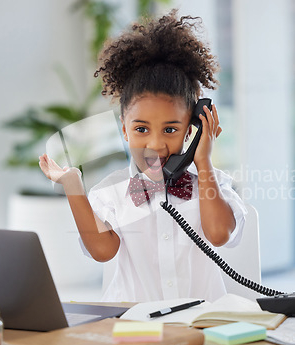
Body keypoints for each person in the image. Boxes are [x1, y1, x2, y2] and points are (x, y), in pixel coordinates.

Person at [39, 10, 247, 302]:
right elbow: (102, 251)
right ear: (124, 129)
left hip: (201, 324)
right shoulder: (112, 193)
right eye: (141, 129)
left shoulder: (214, 185)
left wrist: (203, 163)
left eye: (171, 130)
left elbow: (218, 234)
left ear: (192, 129)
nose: (155, 144)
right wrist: (73, 185)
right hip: (134, 327)